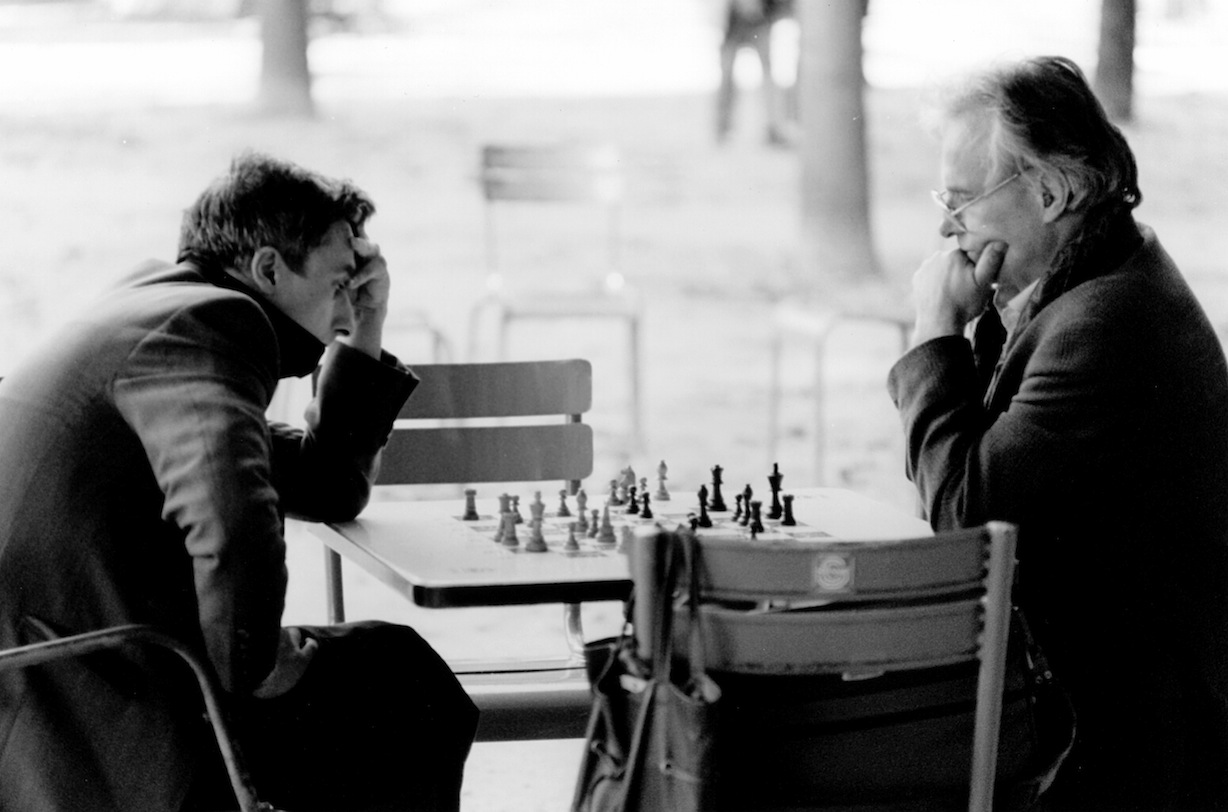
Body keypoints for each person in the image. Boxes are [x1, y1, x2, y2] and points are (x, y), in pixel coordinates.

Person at [0, 153, 478, 811]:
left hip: (51, 674)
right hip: (99, 692)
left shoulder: (153, 307)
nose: (345, 312)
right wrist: (256, 667)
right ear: (269, 270)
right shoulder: (213, 325)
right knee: (404, 682)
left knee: (380, 673)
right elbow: (232, 524)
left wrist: (367, 326)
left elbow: (325, 484)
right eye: (342, 285)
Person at [887, 56, 1228, 810]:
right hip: (1088, 706)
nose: (947, 226)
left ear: (1054, 192)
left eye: (963, 199)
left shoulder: (1104, 326)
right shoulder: (1100, 285)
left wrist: (934, 331)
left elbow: (963, 517)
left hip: (1116, 749)